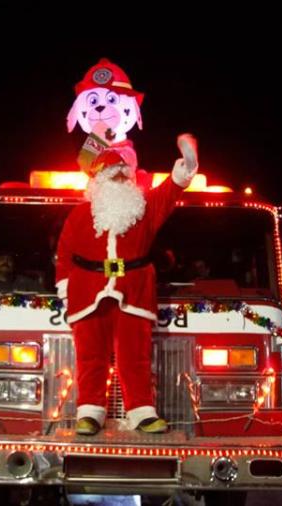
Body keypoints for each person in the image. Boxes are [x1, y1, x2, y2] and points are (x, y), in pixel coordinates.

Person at [57, 58, 199, 436]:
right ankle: (90, 411)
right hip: (88, 289)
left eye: (124, 170)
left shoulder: (144, 208)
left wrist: (184, 169)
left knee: (134, 356)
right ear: (97, 177)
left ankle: (141, 411)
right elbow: (64, 251)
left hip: (135, 288)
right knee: (90, 356)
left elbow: (170, 192)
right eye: (112, 170)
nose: (119, 174)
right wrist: (63, 284)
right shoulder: (80, 214)